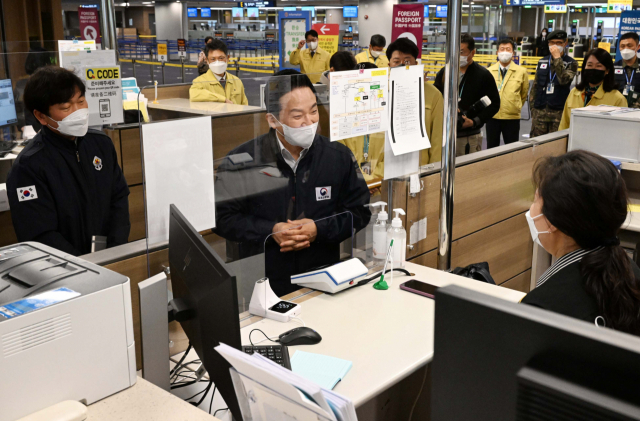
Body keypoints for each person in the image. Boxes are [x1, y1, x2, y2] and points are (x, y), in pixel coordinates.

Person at [214, 70, 371, 296]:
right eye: (298, 116)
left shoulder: (338, 156)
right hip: (263, 286)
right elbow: (221, 218)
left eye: (314, 111)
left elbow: (360, 211)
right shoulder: (243, 161)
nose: (310, 122)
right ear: (273, 120)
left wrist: (319, 229)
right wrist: (270, 231)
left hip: (322, 284)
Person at [7, 66, 130, 255]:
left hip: (110, 258)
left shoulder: (101, 144)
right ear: (41, 116)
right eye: (65, 107)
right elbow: (39, 234)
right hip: (66, 269)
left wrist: (114, 250)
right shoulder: (29, 166)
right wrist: (83, 265)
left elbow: (119, 198)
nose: (78, 112)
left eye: (81, 101)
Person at [521, 150, 640, 335]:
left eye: (536, 199)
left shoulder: (543, 307)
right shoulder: (630, 271)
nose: (532, 209)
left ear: (551, 221)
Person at [434, 33, 500, 156]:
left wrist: (474, 121)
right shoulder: (445, 72)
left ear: (472, 53)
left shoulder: (483, 75)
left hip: (469, 137)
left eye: (462, 52)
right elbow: (435, 99)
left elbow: (495, 104)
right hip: (444, 135)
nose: (457, 56)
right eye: (454, 51)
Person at [388, 38, 444, 164]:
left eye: (407, 61)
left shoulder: (433, 94)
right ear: (389, 65)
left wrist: (433, 172)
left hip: (419, 166)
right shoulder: (382, 93)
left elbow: (437, 139)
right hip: (387, 166)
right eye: (396, 61)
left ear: (415, 64)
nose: (402, 65)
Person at [558, 48, 626, 130]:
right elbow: (564, 124)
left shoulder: (618, 99)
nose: (593, 69)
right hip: (573, 141)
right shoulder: (574, 93)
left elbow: (621, 130)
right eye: (589, 65)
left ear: (607, 70)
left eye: (598, 66)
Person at [529, 30, 578, 137]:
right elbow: (535, 87)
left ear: (565, 43)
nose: (555, 45)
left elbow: (563, 80)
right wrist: (533, 109)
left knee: (555, 145)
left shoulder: (571, 63)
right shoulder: (542, 61)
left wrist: (557, 59)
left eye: (559, 42)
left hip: (558, 113)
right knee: (536, 145)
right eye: (552, 42)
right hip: (540, 112)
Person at [486, 39, 530, 148]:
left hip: (512, 118)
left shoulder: (521, 71)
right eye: (502, 49)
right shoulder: (489, 71)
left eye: (508, 49)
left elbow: (523, 94)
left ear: (513, 53)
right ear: (497, 52)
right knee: (491, 149)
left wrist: (516, 105)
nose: (505, 52)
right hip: (492, 117)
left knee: (511, 150)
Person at [189, 39, 248, 105]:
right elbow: (194, 94)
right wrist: (222, 99)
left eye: (221, 58)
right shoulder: (200, 82)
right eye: (213, 59)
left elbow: (245, 106)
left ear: (227, 58)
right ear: (207, 60)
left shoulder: (237, 81)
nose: (217, 62)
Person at [614, 32, 640, 108]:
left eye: (629, 46)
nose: (626, 49)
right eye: (622, 46)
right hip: (617, 108)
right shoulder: (612, 68)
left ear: (638, 47)